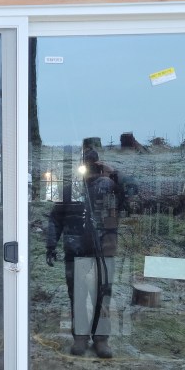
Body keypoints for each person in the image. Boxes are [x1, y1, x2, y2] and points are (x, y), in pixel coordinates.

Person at [46, 147, 123, 359]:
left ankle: (101, 339)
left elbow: (133, 194)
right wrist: (51, 245)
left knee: (102, 296)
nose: (88, 167)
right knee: (78, 296)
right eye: (85, 162)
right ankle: (80, 336)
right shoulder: (70, 190)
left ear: (97, 164)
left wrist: (114, 173)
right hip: (76, 252)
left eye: (92, 163)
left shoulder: (110, 187)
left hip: (104, 252)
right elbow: (55, 218)